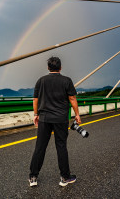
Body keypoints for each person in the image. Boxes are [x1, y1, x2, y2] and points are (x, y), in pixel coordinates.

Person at [29, 56, 81, 187]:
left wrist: (36, 114)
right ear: (61, 67)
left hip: (44, 119)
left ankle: (33, 177)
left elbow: (35, 100)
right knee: (61, 146)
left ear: (48, 68)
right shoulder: (66, 80)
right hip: (60, 119)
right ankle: (65, 177)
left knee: (40, 147)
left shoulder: (41, 81)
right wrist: (77, 115)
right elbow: (72, 98)